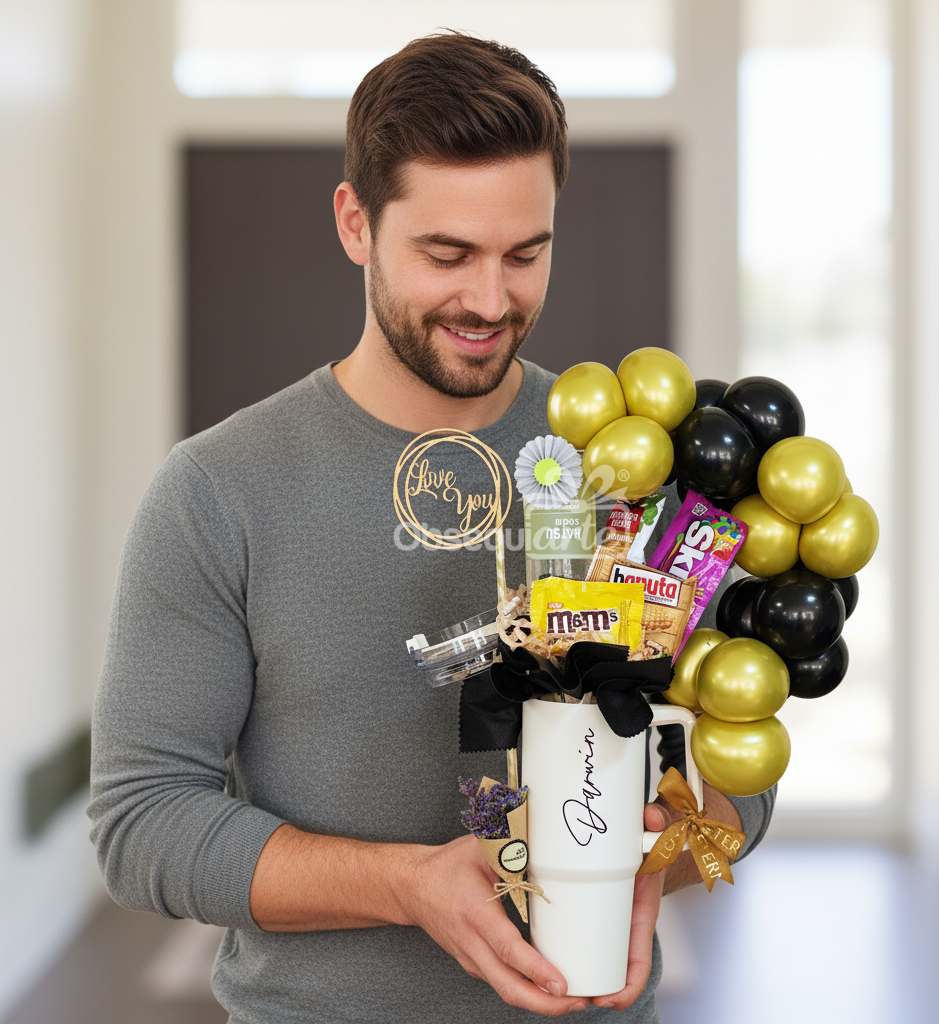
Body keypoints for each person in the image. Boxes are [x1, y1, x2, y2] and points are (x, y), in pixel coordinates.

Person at [88, 32, 773, 1023]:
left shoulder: (631, 465)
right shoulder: (216, 491)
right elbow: (143, 824)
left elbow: (739, 774)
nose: (489, 300)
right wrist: (407, 884)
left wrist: (656, 853)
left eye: (524, 253)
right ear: (354, 223)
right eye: (446, 254)